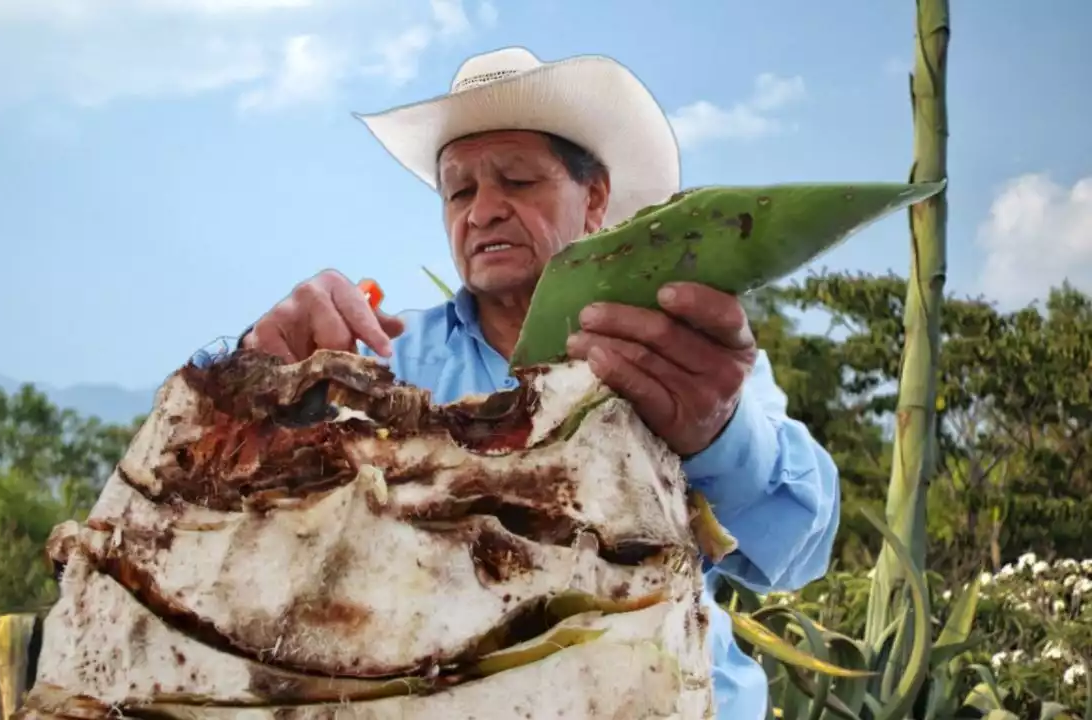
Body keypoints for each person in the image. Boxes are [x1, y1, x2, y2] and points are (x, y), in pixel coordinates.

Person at [191, 47, 840, 719]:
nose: (482, 211)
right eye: (460, 190)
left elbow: (800, 545)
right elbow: (243, 538)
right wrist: (251, 378)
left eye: (518, 180)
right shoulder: (386, 362)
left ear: (593, 198)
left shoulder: (674, 351)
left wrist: (716, 433)